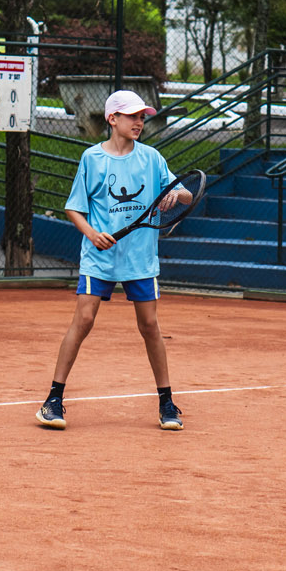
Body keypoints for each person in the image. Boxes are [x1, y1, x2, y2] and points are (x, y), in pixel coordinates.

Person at [36, 89, 192, 432]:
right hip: (99, 257)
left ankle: (167, 402)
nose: (139, 122)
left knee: (149, 326)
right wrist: (93, 235)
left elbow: (187, 194)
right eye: (132, 116)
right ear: (112, 118)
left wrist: (174, 194)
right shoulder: (92, 158)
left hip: (140, 258)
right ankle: (53, 400)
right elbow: (73, 208)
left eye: (141, 116)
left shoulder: (152, 158)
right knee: (84, 319)